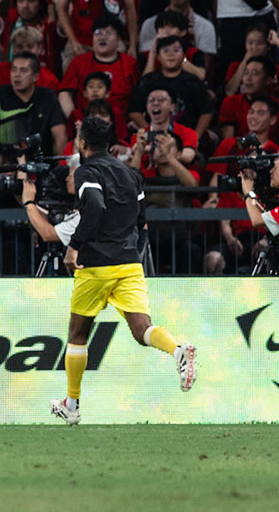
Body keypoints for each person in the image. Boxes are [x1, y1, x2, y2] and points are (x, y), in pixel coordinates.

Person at [47, 117, 197, 426]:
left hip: (96, 265)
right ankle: (177, 349)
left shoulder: (87, 171)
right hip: (129, 262)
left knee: (77, 334)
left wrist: (75, 245)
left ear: (82, 143)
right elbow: (142, 221)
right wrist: (134, 249)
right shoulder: (130, 173)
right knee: (142, 330)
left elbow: (95, 205)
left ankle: (72, 404)